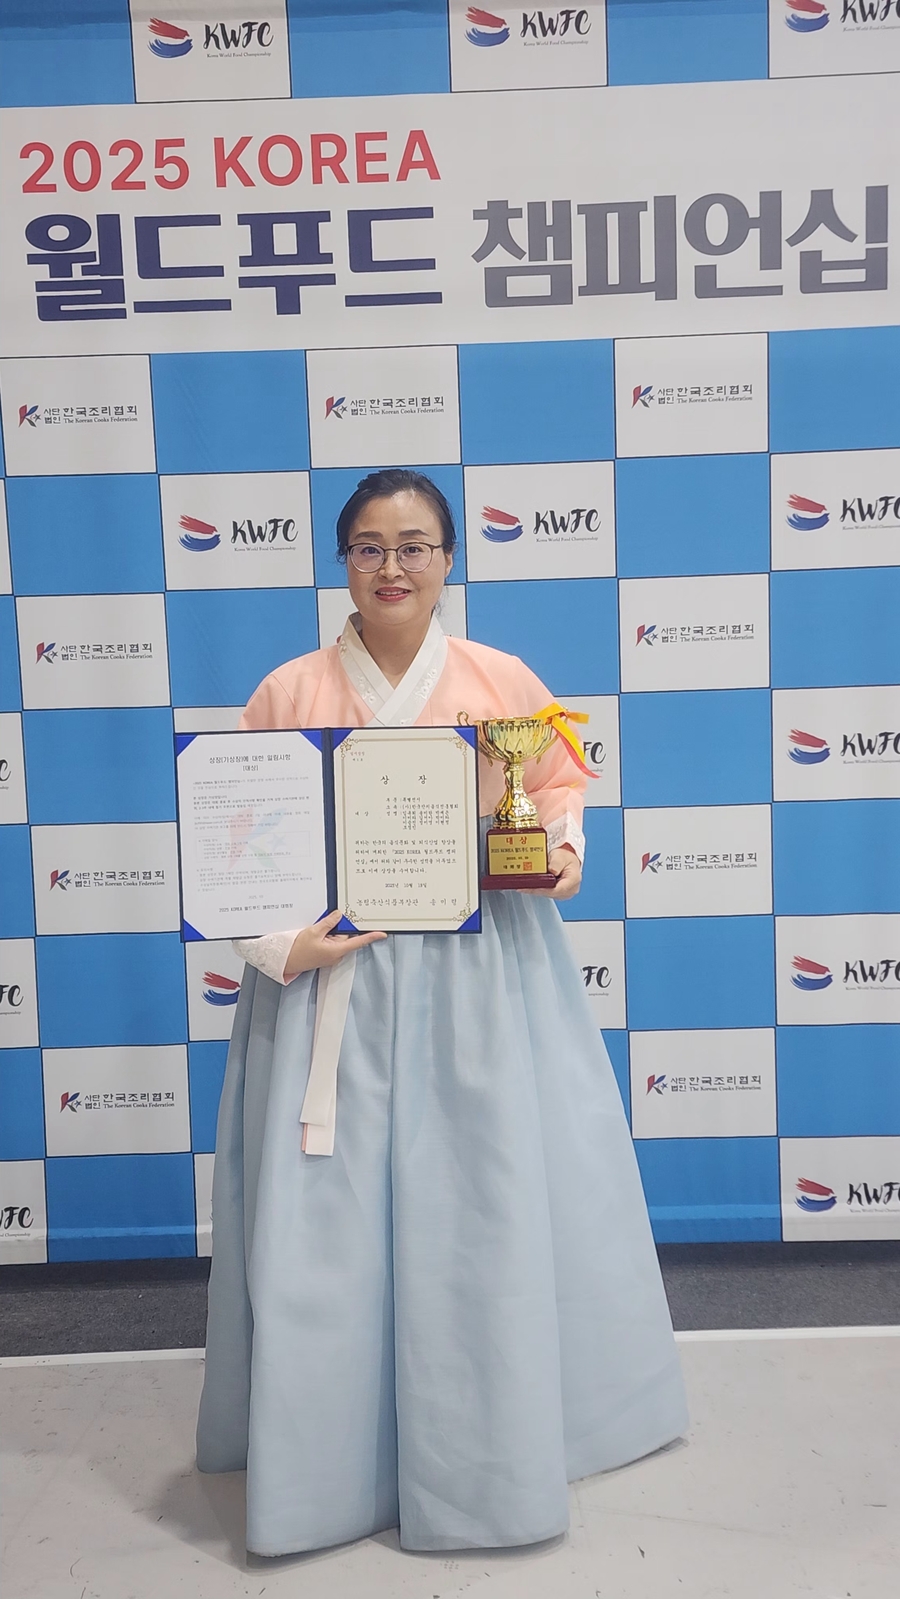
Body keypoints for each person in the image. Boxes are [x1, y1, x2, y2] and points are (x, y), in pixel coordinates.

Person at [195, 468, 688, 1556]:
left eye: (414, 545)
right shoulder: (287, 692)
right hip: (334, 983)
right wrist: (281, 947)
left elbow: (554, 784)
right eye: (369, 547)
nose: (392, 567)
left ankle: (493, 1454)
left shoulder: (498, 678)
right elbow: (237, 847)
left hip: (477, 982)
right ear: (343, 560)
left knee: (481, 1207)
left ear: (448, 558)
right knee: (328, 1228)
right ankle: (329, 1471)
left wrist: (560, 850)